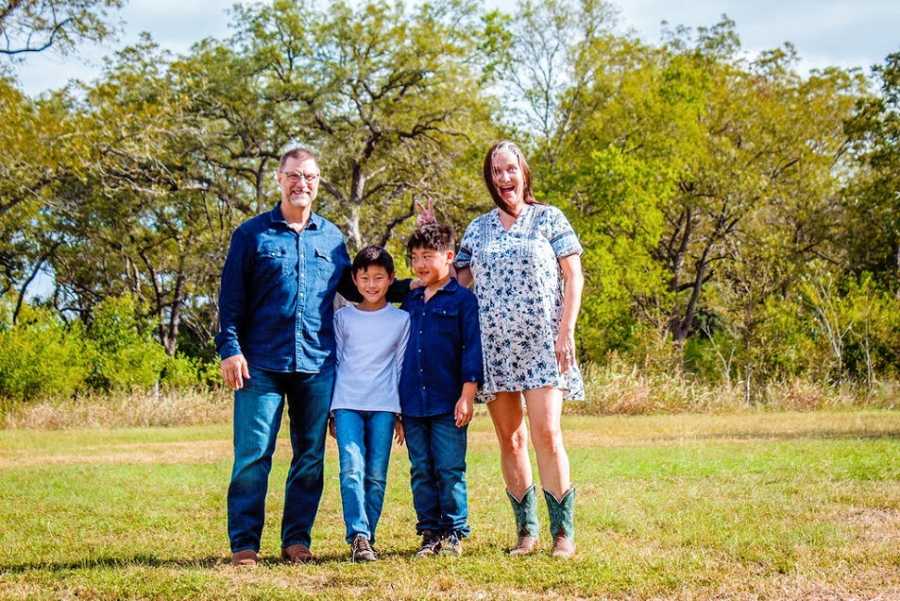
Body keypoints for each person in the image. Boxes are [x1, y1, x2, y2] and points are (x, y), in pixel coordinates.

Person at [215, 147, 409, 567]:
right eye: (294, 175)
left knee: (310, 457)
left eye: (310, 177)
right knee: (252, 455)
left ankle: (295, 541)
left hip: (317, 363)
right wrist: (230, 349)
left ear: (318, 183)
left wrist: (427, 283)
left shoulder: (332, 238)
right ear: (280, 179)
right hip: (260, 363)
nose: (301, 183)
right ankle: (245, 545)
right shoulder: (251, 235)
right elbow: (230, 299)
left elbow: (361, 287)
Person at [452, 140, 585, 559]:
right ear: (490, 179)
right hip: (494, 349)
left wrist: (566, 330)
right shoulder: (478, 228)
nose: (504, 178)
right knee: (510, 439)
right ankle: (526, 532)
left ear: (523, 172)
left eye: (510, 169)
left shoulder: (549, 218)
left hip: (543, 345)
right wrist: (433, 235)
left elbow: (574, 276)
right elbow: (455, 282)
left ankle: (562, 534)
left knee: (547, 434)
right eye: (496, 172)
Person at [399, 224, 483, 558]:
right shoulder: (411, 299)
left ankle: (453, 532)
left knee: (449, 468)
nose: (420, 264)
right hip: (412, 402)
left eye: (428, 257)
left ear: (449, 257)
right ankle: (429, 532)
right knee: (421, 469)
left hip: (449, 401)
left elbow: (471, 349)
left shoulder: (463, 300)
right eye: (415, 257)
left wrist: (467, 394)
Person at [329, 245, 410, 562]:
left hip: (385, 406)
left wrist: (402, 413)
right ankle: (358, 535)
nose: (372, 285)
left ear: (391, 279)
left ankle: (368, 538)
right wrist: (330, 413)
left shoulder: (401, 319)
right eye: (365, 278)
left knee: (376, 474)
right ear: (355, 279)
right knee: (351, 469)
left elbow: (401, 366)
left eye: (379, 277)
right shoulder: (343, 317)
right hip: (347, 402)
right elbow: (335, 362)